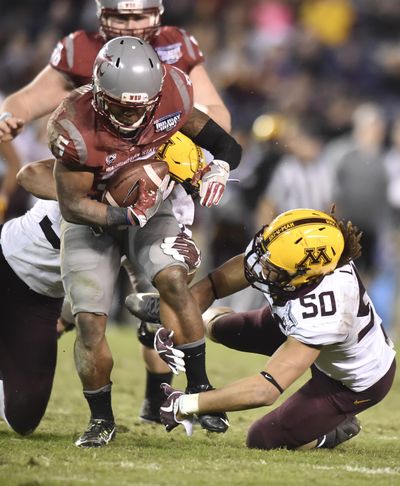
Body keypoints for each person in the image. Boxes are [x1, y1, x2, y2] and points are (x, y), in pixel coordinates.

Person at [0, 0, 231, 426]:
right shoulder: (77, 101)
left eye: (138, 14)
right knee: (95, 288)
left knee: (167, 286)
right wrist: (10, 115)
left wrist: (205, 160)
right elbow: (35, 145)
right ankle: (67, 323)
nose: (132, 24)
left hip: (159, 188)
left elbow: (213, 117)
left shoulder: (177, 62)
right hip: (97, 201)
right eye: (121, 16)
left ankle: (160, 399)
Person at [49, 36, 241, 448]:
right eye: (122, 106)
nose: (133, 115)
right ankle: (101, 419)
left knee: (173, 278)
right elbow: (72, 206)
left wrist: (219, 167)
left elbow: (226, 144)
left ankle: (202, 387)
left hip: (150, 209)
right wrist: (124, 214)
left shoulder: (172, 94)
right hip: (94, 218)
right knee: (90, 320)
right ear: (100, 94)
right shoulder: (74, 126)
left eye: (141, 106)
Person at [137, 208, 396, 450]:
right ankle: (191, 318)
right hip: (297, 326)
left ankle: (331, 431)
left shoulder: (328, 308)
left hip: (352, 381)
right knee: (220, 329)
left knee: (262, 437)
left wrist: (188, 403)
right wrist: (174, 310)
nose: (260, 267)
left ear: (308, 273)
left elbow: (265, 389)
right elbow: (214, 285)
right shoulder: (286, 255)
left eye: (273, 269)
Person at [0, 196, 65, 435]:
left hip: (40, 300)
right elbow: (28, 175)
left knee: (24, 418)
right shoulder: (85, 168)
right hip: (5, 253)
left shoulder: (137, 219)